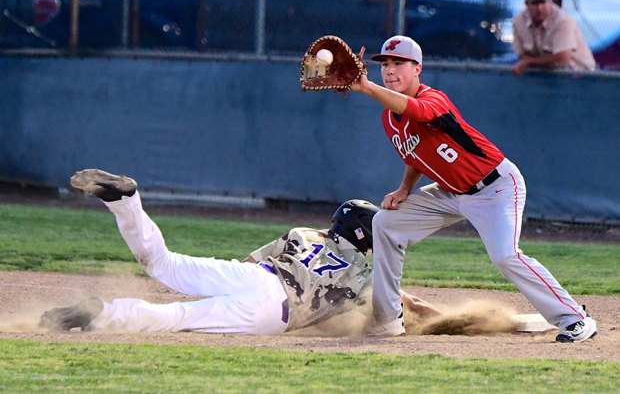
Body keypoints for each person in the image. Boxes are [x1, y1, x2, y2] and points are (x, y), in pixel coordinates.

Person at [349, 35, 597, 343]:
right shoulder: (389, 117)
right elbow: (414, 156)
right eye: (385, 64)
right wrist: (403, 189)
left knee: (506, 256)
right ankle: (387, 320)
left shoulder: (433, 99)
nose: (389, 70)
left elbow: (417, 112)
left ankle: (575, 318)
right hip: (450, 193)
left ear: (418, 69)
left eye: (399, 63)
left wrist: (367, 87)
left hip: (496, 187)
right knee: (385, 223)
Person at [40, 169, 439, 334]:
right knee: (177, 317)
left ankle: (126, 202)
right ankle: (104, 313)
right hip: (271, 311)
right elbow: (409, 304)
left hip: (254, 276)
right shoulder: (364, 275)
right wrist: (464, 320)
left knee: (164, 263)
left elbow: (251, 262)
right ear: (367, 239)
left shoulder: (304, 233)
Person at [511, 0, 596, 75]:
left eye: (543, 3)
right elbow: (521, 54)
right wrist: (528, 61)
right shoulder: (518, 21)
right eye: (535, 3)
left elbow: (563, 58)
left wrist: (529, 61)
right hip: (548, 76)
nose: (539, 8)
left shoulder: (562, 20)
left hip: (581, 75)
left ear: (550, 2)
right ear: (526, 4)